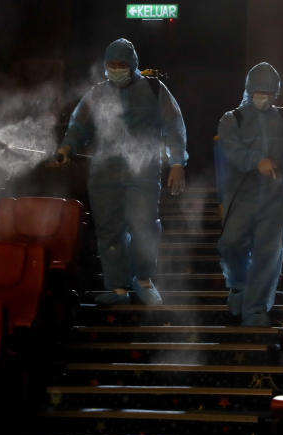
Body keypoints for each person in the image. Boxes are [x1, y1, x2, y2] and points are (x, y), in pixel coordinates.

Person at [53, 38, 188, 305]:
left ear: (133, 64)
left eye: (121, 64)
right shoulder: (97, 93)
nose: (116, 69)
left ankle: (145, 280)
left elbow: (174, 125)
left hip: (143, 171)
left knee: (144, 226)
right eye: (111, 65)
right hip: (105, 173)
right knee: (109, 230)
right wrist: (67, 148)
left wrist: (177, 163)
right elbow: (79, 126)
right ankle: (117, 289)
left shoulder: (153, 88)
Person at [216, 62, 283, 327]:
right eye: (260, 92)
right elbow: (231, 149)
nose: (264, 98)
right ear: (249, 90)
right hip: (240, 196)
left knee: (268, 254)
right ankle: (238, 286)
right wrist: (256, 160)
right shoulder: (232, 119)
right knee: (232, 243)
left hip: (274, 197)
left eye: (269, 93)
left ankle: (256, 308)